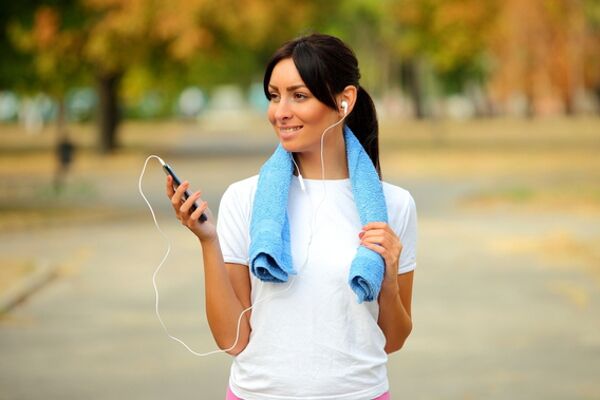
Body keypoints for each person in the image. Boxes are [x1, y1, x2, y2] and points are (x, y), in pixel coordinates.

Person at [166, 33, 417, 400]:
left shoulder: (394, 205)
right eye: (274, 96)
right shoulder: (245, 199)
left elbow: (393, 340)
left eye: (299, 96)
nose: (280, 112)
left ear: (345, 100)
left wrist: (389, 279)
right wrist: (208, 241)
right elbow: (232, 339)